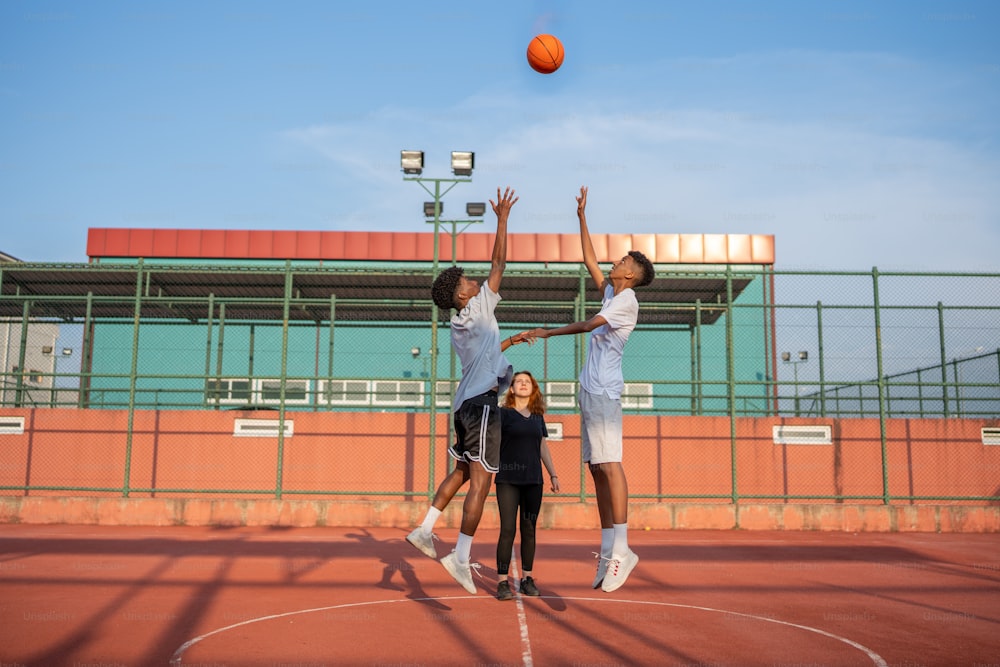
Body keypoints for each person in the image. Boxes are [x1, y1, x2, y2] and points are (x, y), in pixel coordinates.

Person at [521, 186, 654, 593]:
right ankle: (608, 548)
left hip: (604, 392)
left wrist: (547, 332)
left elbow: (587, 325)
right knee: (596, 469)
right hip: (590, 391)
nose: (617, 261)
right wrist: (581, 216)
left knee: (610, 465)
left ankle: (625, 549)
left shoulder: (625, 301)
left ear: (630, 273)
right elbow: (590, 261)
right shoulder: (615, 291)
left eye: (624, 260)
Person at [406, 186, 523, 595]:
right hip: (483, 407)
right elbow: (500, 262)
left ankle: (424, 530)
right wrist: (503, 218)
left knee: (459, 471)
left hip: (463, 406)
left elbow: (487, 356)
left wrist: (510, 342)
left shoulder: (461, 325)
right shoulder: (479, 306)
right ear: (461, 294)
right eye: (469, 281)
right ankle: (459, 556)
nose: (476, 281)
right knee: (482, 481)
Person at [492, 368, 560, 601]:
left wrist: (553, 474)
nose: (522, 384)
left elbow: (542, 446)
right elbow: (492, 443)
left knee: (529, 530)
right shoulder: (502, 414)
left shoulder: (538, 416)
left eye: (526, 382)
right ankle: (502, 582)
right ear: (511, 389)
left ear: (533, 388)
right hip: (508, 480)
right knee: (508, 530)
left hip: (534, 480)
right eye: (518, 381)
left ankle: (526, 579)